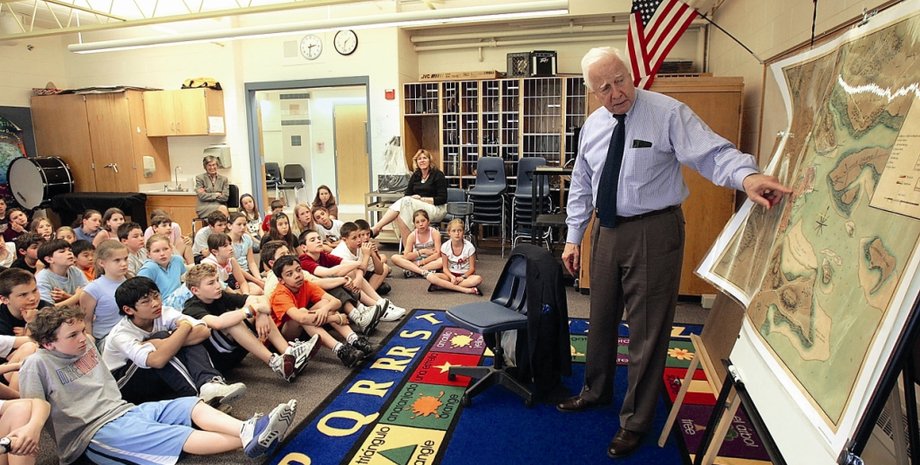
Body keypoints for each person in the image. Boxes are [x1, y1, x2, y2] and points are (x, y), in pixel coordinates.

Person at [557, 47, 791, 458]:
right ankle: (595, 390)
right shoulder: (593, 125)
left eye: (621, 80)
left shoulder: (666, 113)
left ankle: (635, 422)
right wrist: (574, 235)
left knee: (647, 330)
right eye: (604, 87)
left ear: (630, 73)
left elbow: (712, 153)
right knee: (601, 318)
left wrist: (747, 176)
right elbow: (582, 182)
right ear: (593, 92)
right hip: (606, 230)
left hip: (653, 230)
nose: (616, 92)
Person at [19, 306, 298, 463]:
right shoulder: (37, 364)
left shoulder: (87, 345)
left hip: (124, 410)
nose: (82, 338)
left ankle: (248, 430)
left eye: (82, 331)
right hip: (90, 435)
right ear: (47, 343)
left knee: (190, 405)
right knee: (177, 436)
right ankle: (254, 436)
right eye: (72, 335)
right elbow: (31, 408)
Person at [104, 277, 247, 405]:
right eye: (146, 302)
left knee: (176, 338)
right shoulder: (121, 335)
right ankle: (197, 399)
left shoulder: (163, 312)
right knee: (166, 337)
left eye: (156, 296)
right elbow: (157, 361)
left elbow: (204, 331)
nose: (155, 303)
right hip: (123, 384)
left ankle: (209, 384)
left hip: (155, 377)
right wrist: (183, 329)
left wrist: (170, 339)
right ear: (128, 310)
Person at [182, 263, 317, 380]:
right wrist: (252, 309)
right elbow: (218, 323)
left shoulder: (219, 295)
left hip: (234, 352)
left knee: (256, 310)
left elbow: (262, 299)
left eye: (217, 280)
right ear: (195, 290)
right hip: (217, 361)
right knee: (233, 320)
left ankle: (289, 352)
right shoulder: (192, 308)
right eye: (211, 283)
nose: (218, 286)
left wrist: (261, 313)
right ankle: (275, 362)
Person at [269, 255, 372, 368]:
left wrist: (324, 309)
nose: (297, 275)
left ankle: (354, 339)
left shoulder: (305, 284)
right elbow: (301, 318)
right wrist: (335, 318)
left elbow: (336, 302)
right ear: (281, 280)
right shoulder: (280, 294)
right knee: (303, 313)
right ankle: (341, 350)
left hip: (305, 327)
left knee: (325, 304)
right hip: (284, 337)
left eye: (298, 270)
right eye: (290, 274)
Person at [370, 149, 448, 240]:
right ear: (416, 162)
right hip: (418, 208)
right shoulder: (416, 175)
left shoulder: (438, 175)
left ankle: (377, 227)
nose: (422, 160)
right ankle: (408, 247)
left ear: (429, 160)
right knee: (400, 215)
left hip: (436, 209)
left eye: (424, 158)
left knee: (406, 202)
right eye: (419, 159)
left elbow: (442, 199)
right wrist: (413, 198)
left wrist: (421, 199)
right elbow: (407, 195)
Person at [79, 240, 129, 349]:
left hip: (132, 333)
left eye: (125, 259)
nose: (124, 264)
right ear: (102, 263)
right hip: (108, 339)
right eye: (117, 260)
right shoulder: (93, 289)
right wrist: (92, 348)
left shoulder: (131, 281)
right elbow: (86, 321)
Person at [331, 222, 391, 295]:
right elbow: (356, 275)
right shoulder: (340, 253)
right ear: (344, 240)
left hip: (361, 276)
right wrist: (366, 255)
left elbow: (380, 271)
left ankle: (369, 293)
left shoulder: (360, 245)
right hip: (344, 281)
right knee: (353, 273)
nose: (359, 240)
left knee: (384, 267)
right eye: (354, 238)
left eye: (359, 236)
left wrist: (373, 254)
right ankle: (369, 293)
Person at [426, 219, 482, 295]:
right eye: (454, 231)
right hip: (450, 275)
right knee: (430, 276)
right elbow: (445, 268)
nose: (457, 233)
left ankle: (444, 286)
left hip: (465, 276)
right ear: (449, 233)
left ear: (463, 232)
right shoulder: (445, 247)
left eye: (460, 230)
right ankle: (465, 290)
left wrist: (462, 277)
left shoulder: (469, 247)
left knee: (478, 279)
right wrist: (451, 277)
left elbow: (472, 269)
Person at [390, 209, 443, 279]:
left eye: (423, 221)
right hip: (415, 260)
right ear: (414, 224)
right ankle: (423, 272)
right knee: (394, 257)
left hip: (430, 261)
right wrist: (422, 251)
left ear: (428, 221)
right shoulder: (412, 235)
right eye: (417, 222)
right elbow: (406, 256)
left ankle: (415, 270)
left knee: (443, 260)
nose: (421, 224)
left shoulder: (435, 233)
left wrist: (421, 263)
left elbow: (437, 254)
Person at [34, 239, 86, 308]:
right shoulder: (42, 279)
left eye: (70, 250)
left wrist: (67, 296)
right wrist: (77, 297)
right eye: (62, 251)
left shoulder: (75, 271)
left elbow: (89, 296)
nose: (69, 253)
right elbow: (47, 309)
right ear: (49, 259)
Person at [228, 212, 264, 291]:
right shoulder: (226, 242)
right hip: (234, 274)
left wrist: (259, 278)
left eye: (244, 224)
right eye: (239, 224)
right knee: (258, 291)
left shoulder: (247, 238)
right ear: (230, 226)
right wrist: (257, 281)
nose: (243, 227)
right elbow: (236, 268)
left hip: (247, 272)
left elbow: (251, 262)